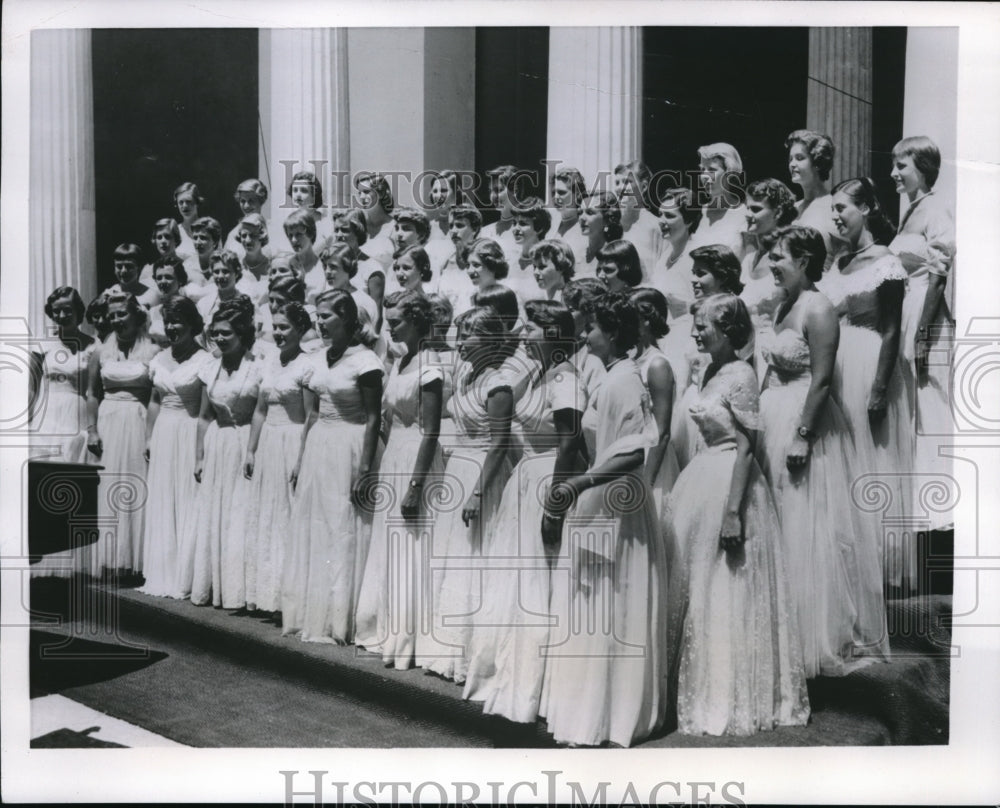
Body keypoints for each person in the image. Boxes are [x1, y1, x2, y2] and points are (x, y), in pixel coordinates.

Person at [666, 293, 809, 736]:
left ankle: (727, 694)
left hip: (731, 483)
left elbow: (747, 447)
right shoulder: (710, 370)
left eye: (703, 325)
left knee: (726, 590)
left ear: (728, 330)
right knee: (696, 586)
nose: (695, 333)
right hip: (700, 479)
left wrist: (733, 513)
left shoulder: (743, 375)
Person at [758, 225, 890, 677]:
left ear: (805, 261)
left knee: (807, 524)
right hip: (772, 417)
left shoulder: (818, 308)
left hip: (805, 422)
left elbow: (822, 379)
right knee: (776, 518)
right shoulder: (784, 305)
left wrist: (801, 434)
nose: (772, 263)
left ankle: (816, 634)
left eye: (780, 256)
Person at [540, 292, 667, 748]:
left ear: (612, 332)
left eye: (591, 327)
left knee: (609, 604)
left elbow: (637, 448)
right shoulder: (611, 377)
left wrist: (580, 483)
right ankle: (588, 709)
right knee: (592, 606)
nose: (584, 334)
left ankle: (611, 714)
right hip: (600, 502)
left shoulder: (626, 380)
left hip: (615, 505)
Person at [463, 301, 585, 725]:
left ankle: (536, 683)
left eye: (531, 326)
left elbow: (570, 445)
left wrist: (555, 502)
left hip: (546, 480)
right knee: (514, 580)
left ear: (551, 332)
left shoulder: (566, 377)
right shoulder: (538, 372)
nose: (523, 332)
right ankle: (504, 672)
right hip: (524, 480)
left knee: (537, 584)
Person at [819, 177, 914, 592]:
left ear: (868, 209)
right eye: (833, 210)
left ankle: (878, 571)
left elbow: (893, 330)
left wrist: (878, 388)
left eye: (843, 208)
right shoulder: (838, 263)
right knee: (842, 456)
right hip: (838, 364)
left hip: (869, 362)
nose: (836, 216)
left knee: (871, 461)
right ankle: (848, 567)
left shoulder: (886, 261)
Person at [281, 292, 384, 642]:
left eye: (327, 316)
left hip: (350, 448)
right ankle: (318, 613)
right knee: (318, 525)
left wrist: (365, 469)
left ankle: (343, 619)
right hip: (319, 448)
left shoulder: (366, 361)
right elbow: (312, 414)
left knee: (344, 527)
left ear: (347, 318)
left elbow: (373, 419)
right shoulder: (318, 358)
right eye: (318, 316)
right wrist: (300, 458)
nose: (321, 323)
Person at [355, 290, 451, 668]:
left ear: (417, 320)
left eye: (396, 320)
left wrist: (415, 486)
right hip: (395, 455)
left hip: (417, 462)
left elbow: (431, 432)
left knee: (412, 544)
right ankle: (385, 626)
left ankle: (408, 637)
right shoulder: (401, 360)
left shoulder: (430, 366)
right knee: (391, 544)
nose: (389, 326)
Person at [421, 307, 517, 682]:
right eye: (458, 335)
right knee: (453, 557)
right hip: (458, 468)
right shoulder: (465, 377)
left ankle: (473, 657)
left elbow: (499, 444)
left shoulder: (499, 385)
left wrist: (478, 493)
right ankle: (446, 651)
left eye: (468, 336)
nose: (459, 342)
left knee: (476, 557)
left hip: (483, 474)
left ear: (491, 340)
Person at [889, 135, 957, 533]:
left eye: (902, 166)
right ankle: (920, 515)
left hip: (926, 313)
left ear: (923, 169)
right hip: (908, 308)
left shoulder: (935, 207)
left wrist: (924, 332)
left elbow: (938, 273)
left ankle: (940, 516)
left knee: (930, 409)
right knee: (913, 410)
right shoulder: (912, 210)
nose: (894, 173)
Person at [189, 297, 261, 608]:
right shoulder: (210, 368)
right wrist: (200, 456)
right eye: (215, 333)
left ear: (242, 335)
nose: (219, 338)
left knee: (242, 515)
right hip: (218, 444)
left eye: (226, 333)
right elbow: (204, 416)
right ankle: (217, 585)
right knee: (218, 514)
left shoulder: (257, 368)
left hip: (246, 441)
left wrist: (252, 451)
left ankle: (242, 591)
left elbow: (262, 413)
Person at [242, 303, 313, 615]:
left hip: (292, 441)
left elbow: (312, 416)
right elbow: (260, 409)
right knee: (268, 516)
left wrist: (301, 457)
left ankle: (290, 596)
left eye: (286, 327)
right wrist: (251, 449)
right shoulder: (269, 359)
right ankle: (267, 594)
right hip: (269, 441)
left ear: (300, 329)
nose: (279, 333)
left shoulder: (308, 364)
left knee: (289, 516)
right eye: (276, 327)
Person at [84, 291, 160, 578]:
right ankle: (108, 558)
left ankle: (135, 560)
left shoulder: (153, 351)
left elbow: (157, 396)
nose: (116, 320)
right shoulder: (101, 351)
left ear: (136, 316)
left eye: (122, 314)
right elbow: (92, 393)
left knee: (136, 486)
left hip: (138, 420)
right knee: (108, 487)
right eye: (112, 315)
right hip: (108, 421)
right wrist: (91, 430)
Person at [139, 297, 210, 598]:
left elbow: (208, 411)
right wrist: (149, 437)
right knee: (164, 496)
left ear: (193, 325)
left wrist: (201, 449)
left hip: (190, 428)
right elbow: (155, 399)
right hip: (165, 431)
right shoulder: (158, 359)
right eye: (168, 322)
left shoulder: (205, 360)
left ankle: (186, 574)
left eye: (178, 321)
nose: (171, 327)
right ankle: (163, 570)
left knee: (187, 497)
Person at [671, 244, 745, 471]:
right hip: (691, 406)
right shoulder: (696, 312)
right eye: (693, 273)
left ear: (722, 276)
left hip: (720, 410)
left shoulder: (734, 312)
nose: (694, 280)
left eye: (701, 274)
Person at [629, 287, 680, 528]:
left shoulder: (657, 364)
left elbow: (663, 430)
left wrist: (646, 484)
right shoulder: (632, 358)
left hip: (652, 459)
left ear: (647, 320)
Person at [739, 178, 799, 380]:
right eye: (747, 208)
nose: (748, 215)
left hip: (777, 357)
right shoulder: (748, 260)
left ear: (778, 212)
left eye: (756, 209)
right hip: (746, 355)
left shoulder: (788, 259)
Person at [785, 129, 842, 265]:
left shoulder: (833, 206)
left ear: (817, 162)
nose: (792, 164)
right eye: (790, 159)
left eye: (799, 158)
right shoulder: (793, 208)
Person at [648, 187, 702, 321]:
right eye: (660, 214)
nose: (661, 220)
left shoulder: (696, 260)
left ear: (689, 221)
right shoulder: (665, 255)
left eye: (669, 215)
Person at [688, 143, 747, 259]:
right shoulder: (697, 213)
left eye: (712, 169)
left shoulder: (745, 215)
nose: (704, 176)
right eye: (702, 169)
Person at [613, 159, 664, 277]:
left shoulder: (656, 226)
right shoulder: (611, 224)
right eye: (617, 183)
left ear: (644, 186)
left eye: (627, 182)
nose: (620, 188)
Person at [436, 205, 483, 319]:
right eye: (451, 226)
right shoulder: (444, 264)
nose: (453, 231)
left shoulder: (483, 262)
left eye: (460, 225)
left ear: (475, 229)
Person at [272, 170, 331, 255]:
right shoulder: (287, 223)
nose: (298, 195)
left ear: (314, 195)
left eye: (303, 190)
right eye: (295, 190)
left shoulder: (326, 223)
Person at [506, 197, 552, 299]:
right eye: (514, 223)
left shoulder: (550, 263)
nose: (515, 229)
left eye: (523, 224)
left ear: (539, 228)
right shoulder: (510, 263)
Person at [545, 166, 589, 269]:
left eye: (561, 192)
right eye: (553, 193)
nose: (555, 197)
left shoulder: (586, 227)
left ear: (577, 194)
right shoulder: (550, 227)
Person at [353, 171, 395, 269]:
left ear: (380, 193)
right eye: (360, 193)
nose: (362, 197)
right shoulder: (358, 226)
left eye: (366, 191)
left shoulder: (395, 227)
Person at [577, 191, 624, 278]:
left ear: (607, 220)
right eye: (580, 212)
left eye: (590, 213)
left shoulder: (617, 258)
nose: (581, 218)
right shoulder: (578, 255)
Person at [147, 256, 189, 347]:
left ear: (180, 280)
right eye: (159, 278)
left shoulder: (190, 308)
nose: (163, 282)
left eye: (168, 277)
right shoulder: (153, 312)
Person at [223, 178, 269, 258]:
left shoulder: (272, 229)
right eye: (243, 201)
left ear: (260, 201)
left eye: (251, 201)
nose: (246, 206)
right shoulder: (233, 234)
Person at [480, 164, 520, 252]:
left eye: (498, 190)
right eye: (491, 191)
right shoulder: (484, 232)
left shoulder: (526, 230)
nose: (493, 196)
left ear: (515, 191)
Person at [284, 208, 324, 297]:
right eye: (290, 235)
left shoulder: (323, 268)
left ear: (311, 234)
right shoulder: (285, 266)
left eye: (298, 234)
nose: (293, 240)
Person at [108, 242, 158, 308]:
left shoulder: (151, 296)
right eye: (119, 266)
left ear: (139, 268)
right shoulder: (109, 294)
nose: (123, 271)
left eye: (129, 266)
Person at [139, 219, 185, 287]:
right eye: (159, 237)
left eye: (167, 237)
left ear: (176, 239)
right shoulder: (147, 271)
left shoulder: (186, 265)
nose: (163, 241)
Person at [235, 213, 272, 297]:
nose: (248, 240)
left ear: (262, 236)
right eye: (244, 235)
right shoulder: (236, 266)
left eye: (253, 235)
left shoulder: (272, 266)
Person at [173, 181, 205, 259]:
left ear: (197, 202)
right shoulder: (174, 231)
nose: (184, 205)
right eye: (181, 202)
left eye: (188, 201)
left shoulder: (209, 228)